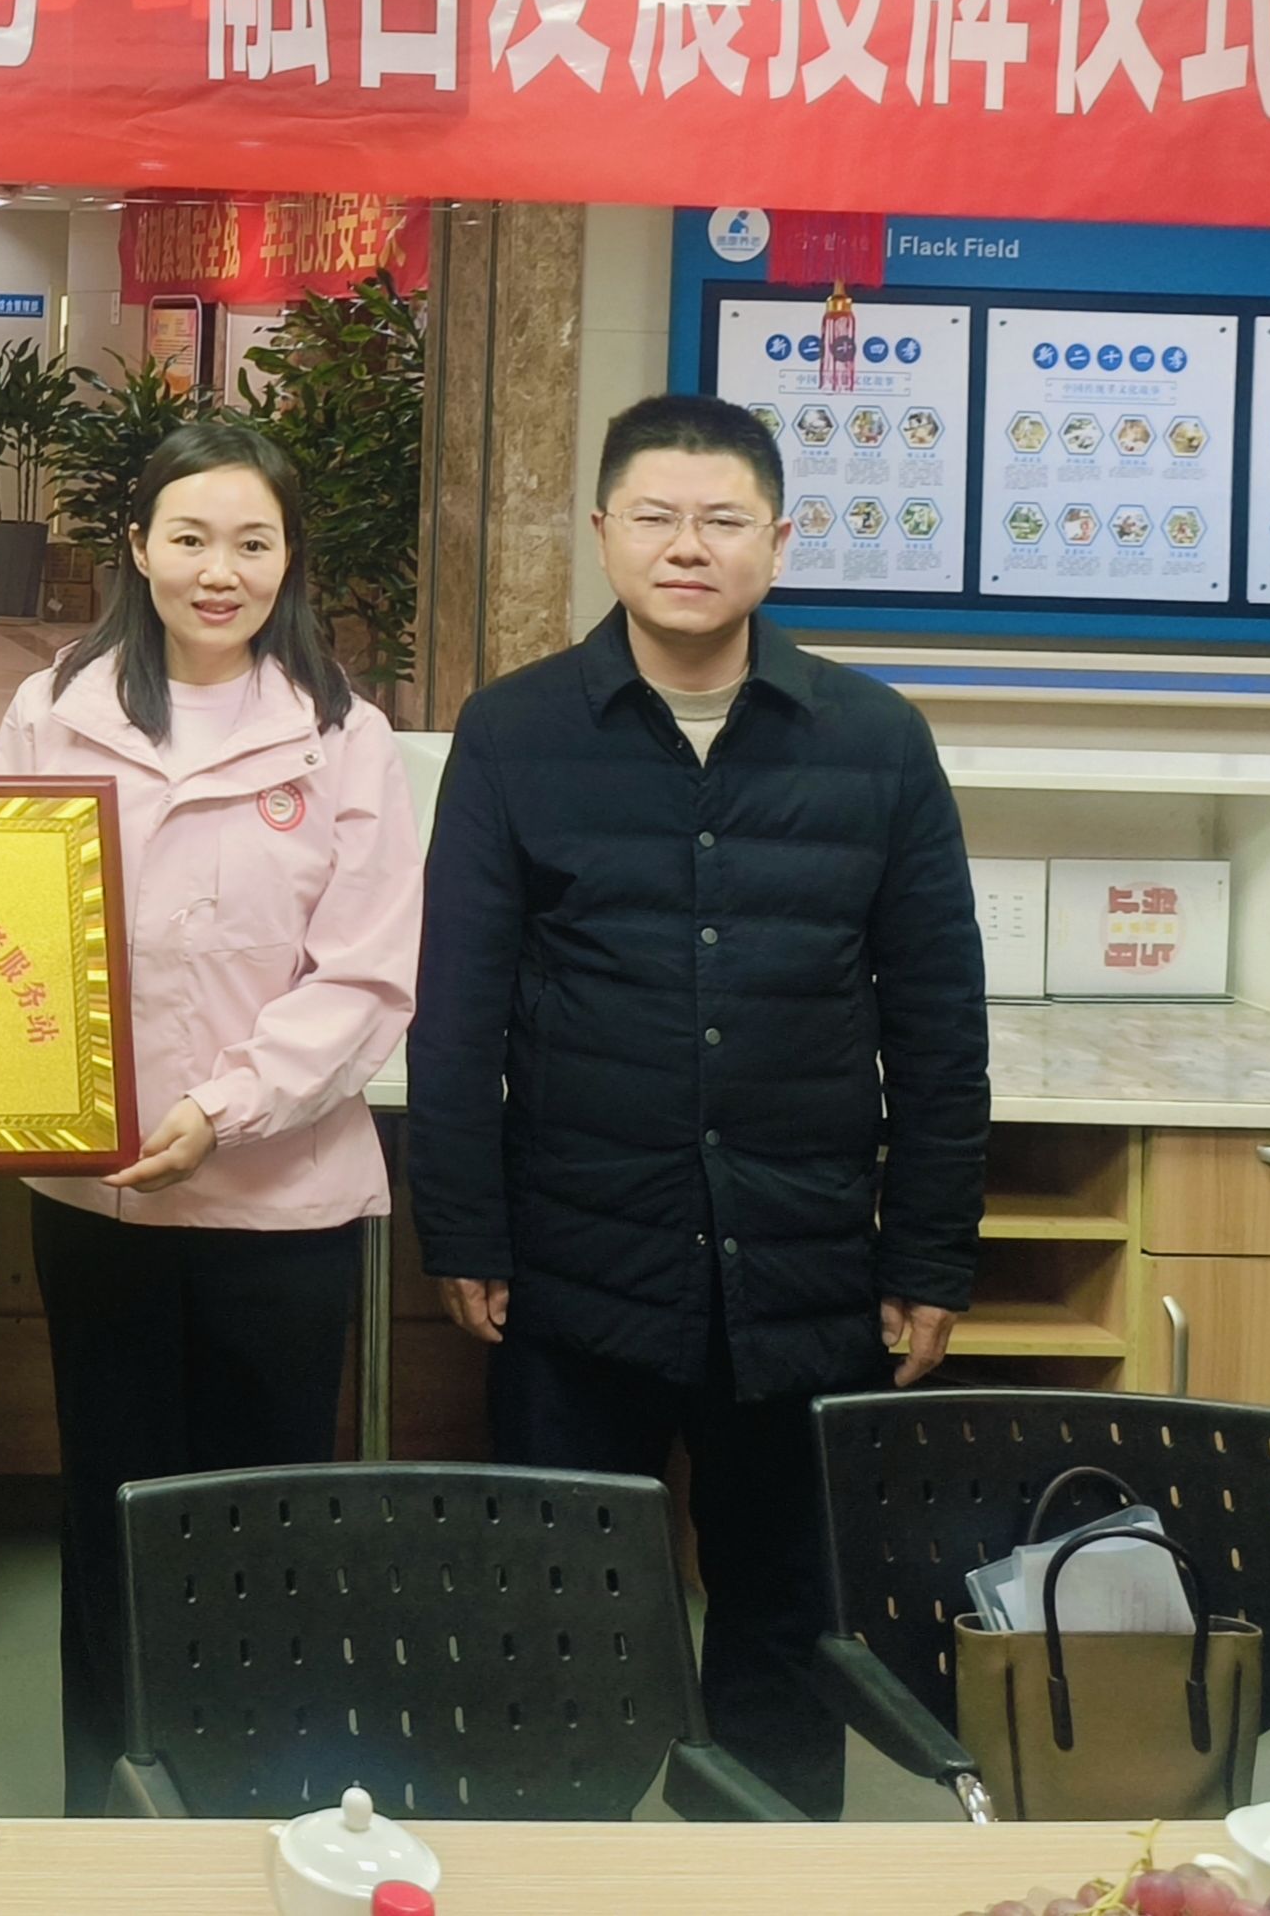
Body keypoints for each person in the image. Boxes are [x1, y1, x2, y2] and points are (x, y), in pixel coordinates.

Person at [408, 392, 989, 1821]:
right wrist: (462, 1229)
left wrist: (927, 1253)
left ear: (777, 543)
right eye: (655, 517)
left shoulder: (874, 740)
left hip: (800, 1272)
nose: (687, 546)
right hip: (575, 1265)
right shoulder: (513, 732)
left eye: (722, 519)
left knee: (785, 1622)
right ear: (601, 533)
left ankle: (762, 1876)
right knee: (556, 1617)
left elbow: (937, 1022)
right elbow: (457, 1007)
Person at [0, 420, 422, 1817]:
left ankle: (257, 1819)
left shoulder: (345, 735)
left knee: (263, 1527)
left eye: (250, 541)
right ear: (136, 546)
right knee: (109, 1513)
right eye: (187, 537)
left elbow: (364, 974)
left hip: (280, 1206)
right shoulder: (52, 708)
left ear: (290, 560)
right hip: (98, 1193)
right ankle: (104, 1820)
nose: (216, 570)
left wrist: (222, 1109)